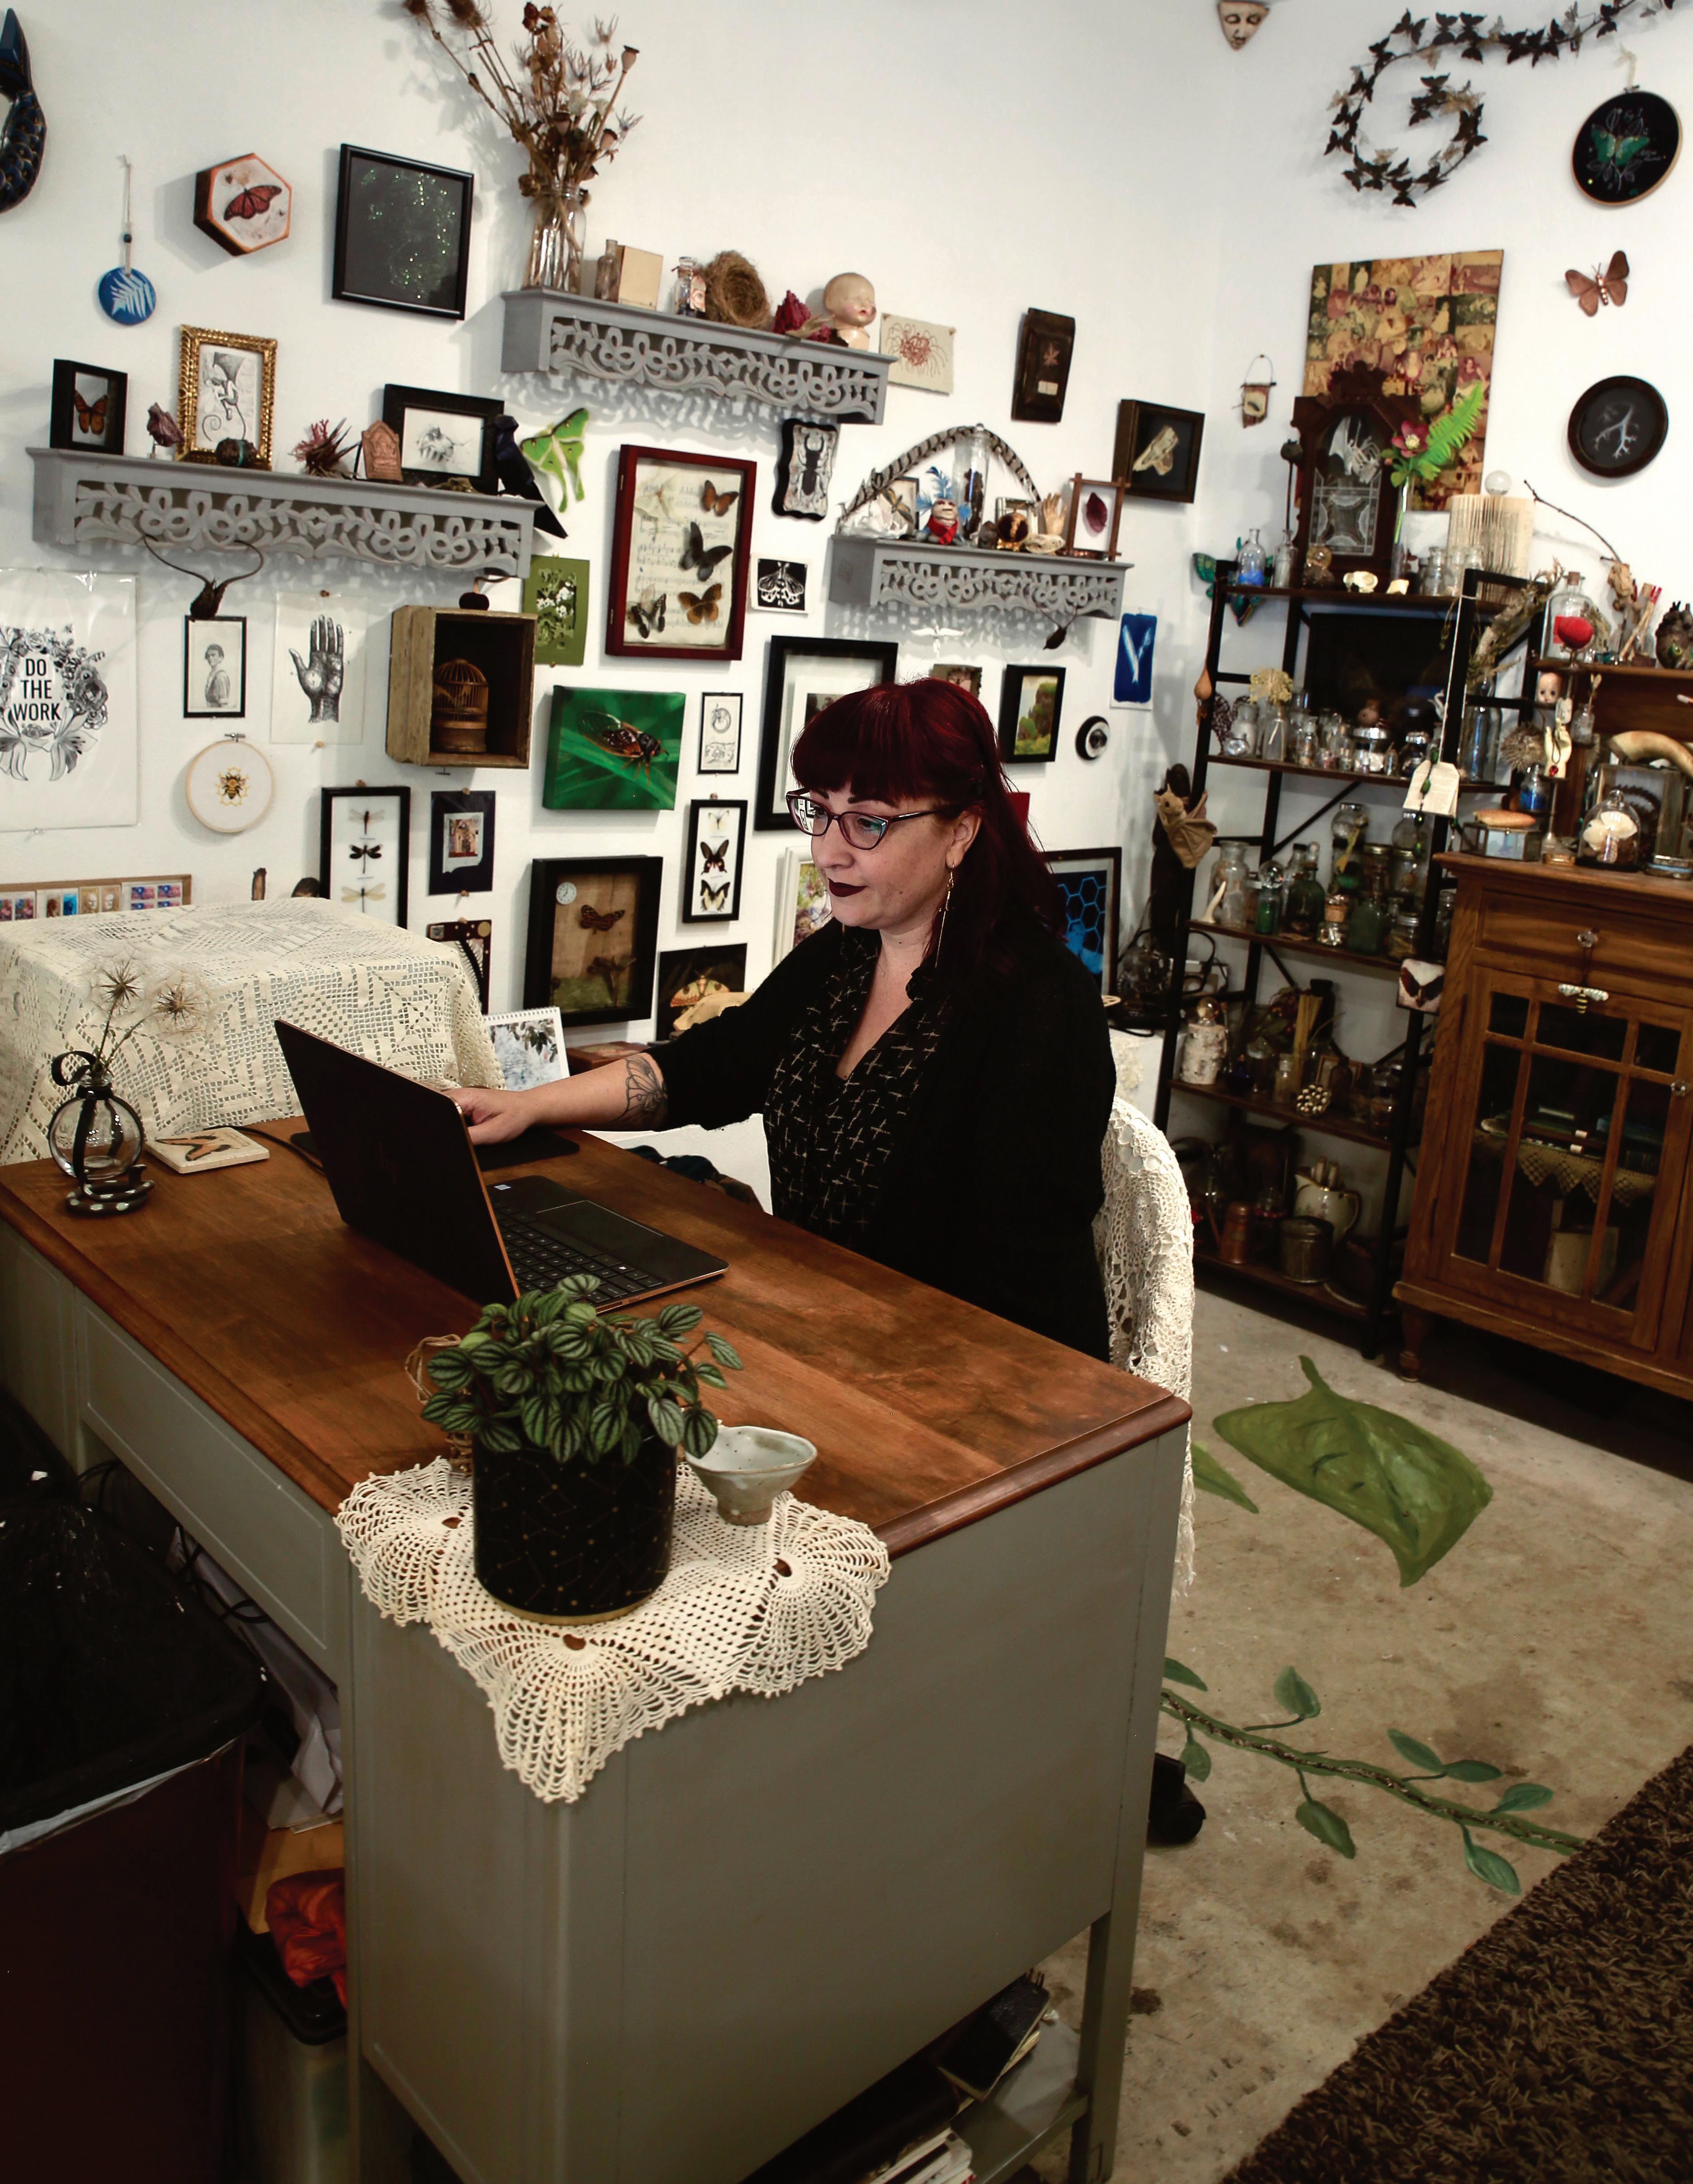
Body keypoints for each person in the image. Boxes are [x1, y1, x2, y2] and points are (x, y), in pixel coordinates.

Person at [453, 679, 1115, 1357]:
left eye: (868, 822)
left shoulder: (1042, 1007)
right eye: (819, 811)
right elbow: (712, 1066)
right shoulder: (850, 951)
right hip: (829, 1328)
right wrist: (530, 1106)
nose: (829, 850)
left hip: (971, 1370)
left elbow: (1006, 1288)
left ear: (962, 832)